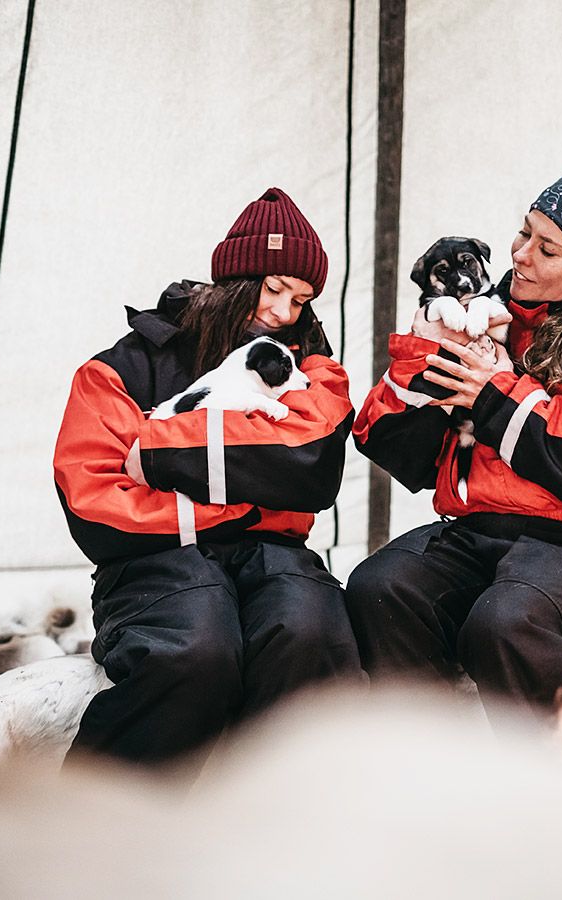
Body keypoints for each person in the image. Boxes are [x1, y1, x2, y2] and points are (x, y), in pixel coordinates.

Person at [346, 159, 562, 714]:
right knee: (380, 588)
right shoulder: (482, 314)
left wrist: (492, 394)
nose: (521, 253)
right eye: (525, 231)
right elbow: (384, 442)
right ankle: (435, 767)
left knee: (504, 622)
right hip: (480, 531)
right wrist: (424, 352)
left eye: (548, 249)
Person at [53, 187, 360, 766]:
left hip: (271, 553)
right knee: (194, 651)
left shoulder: (311, 362)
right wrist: (240, 499)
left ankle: (272, 826)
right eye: (274, 289)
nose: (285, 313)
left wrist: (159, 448)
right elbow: (93, 498)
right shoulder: (119, 368)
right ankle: (94, 827)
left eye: (301, 299)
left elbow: (310, 463)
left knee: (311, 636)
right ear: (233, 280)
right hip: (154, 558)